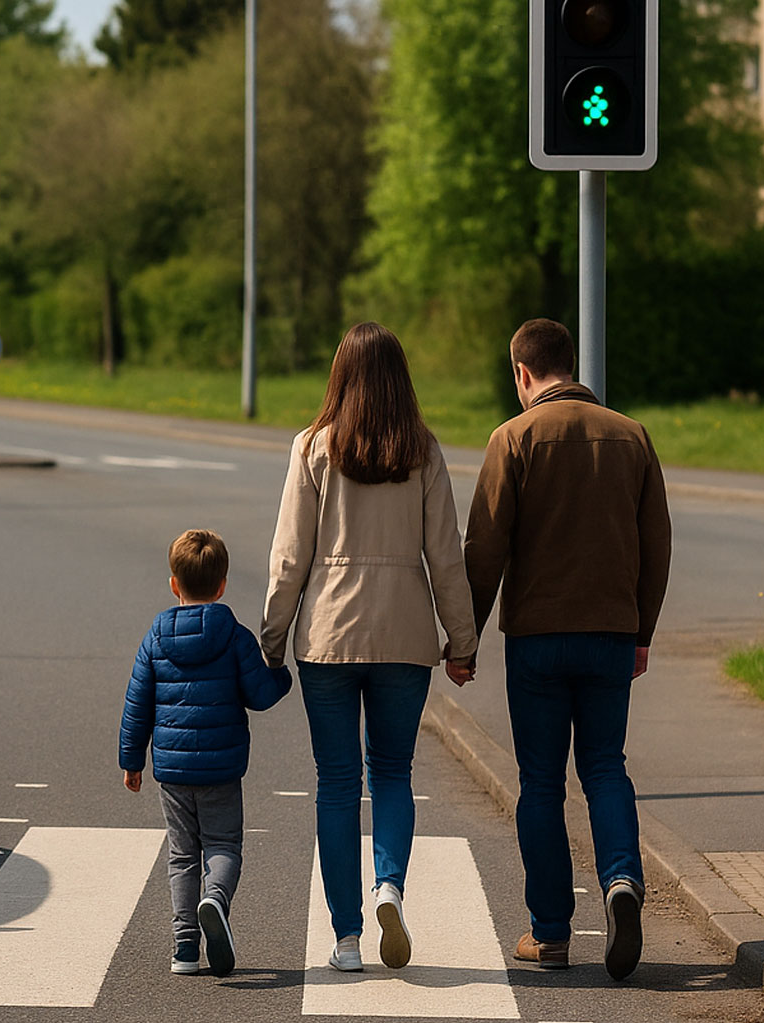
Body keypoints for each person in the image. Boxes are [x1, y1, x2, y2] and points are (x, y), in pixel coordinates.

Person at [261, 322, 479, 974]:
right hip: (404, 634)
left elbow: (290, 556)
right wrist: (461, 640)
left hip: (328, 635)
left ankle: (347, 938)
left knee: (336, 783)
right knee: (392, 772)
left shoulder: (312, 448)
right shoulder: (423, 451)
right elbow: (446, 556)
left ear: (341, 376)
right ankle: (389, 886)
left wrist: (272, 640)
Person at [463, 317, 671, 981]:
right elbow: (657, 545)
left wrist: (465, 637)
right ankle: (622, 880)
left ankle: (551, 934)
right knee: (605, 766)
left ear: (522, 373)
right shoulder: (631, 436)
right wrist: (642, 631)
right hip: (611, 633)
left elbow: (485, 547)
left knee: (541, 783)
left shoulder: (513, 438)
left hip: (537, 639)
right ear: (571, 364)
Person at [121, 529, 292, 977]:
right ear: (222, 585)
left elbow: (137, 702)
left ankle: (184, 948)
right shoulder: (234, 636)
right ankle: (214, 898)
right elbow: (260, 694)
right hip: (221, 767)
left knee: (182, 855)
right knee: (223, 845)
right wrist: (283, 676)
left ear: (174, 584)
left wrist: (131, 760)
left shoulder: (155, 638)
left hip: (172, 768)